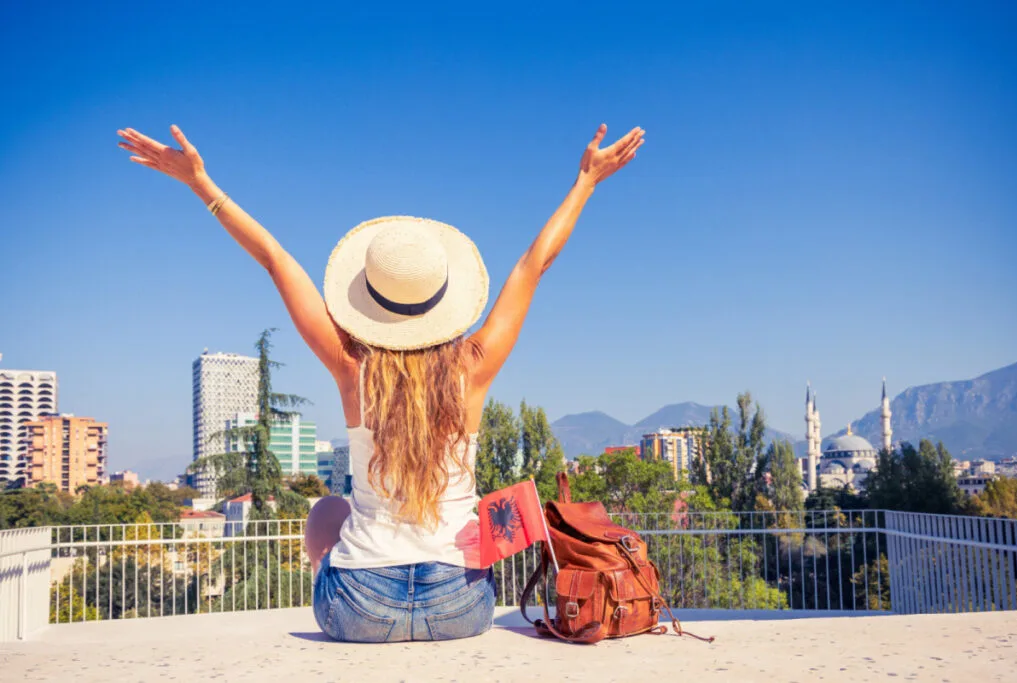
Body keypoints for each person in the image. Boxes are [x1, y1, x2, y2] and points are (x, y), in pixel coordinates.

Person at [117, 121, 645, 642]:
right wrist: (586, 182)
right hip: (460, 607)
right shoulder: (475, 365)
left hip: (358, 609)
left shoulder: (352, 367)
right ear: (444, 300)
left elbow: (276, 261)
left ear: (371, 303)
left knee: (328, 509)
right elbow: (535, 265)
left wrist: (200, 184)